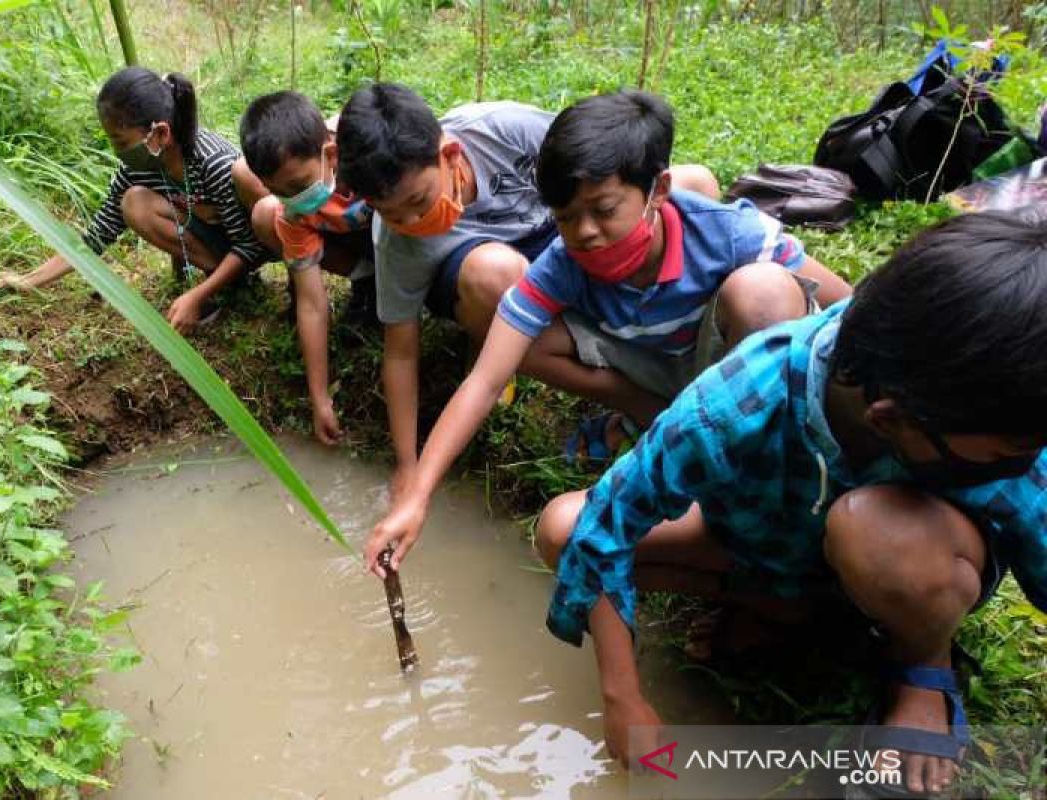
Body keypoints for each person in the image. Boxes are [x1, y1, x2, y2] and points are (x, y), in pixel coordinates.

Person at [534, 211, 1047, 794]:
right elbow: (608, 523)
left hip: (906, 551)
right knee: (563, 527)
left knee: (870, 529)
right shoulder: (737, 403)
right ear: (891, 421)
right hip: (767, 543)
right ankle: (787, 612)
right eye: (1010, 450)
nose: (1023, 458)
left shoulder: (997, 415)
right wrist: (621, 694)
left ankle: (923, 671)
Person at [364, 90, 850, 575]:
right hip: (660, 372)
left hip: (739, 374)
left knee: (762, 291)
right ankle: (681, 447)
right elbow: (484, 381)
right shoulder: (560, 264)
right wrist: (418, 493)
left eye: (603, 209)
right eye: (566, 218)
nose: (585, 232)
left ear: (658, 190)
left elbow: (847, 307)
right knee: (514, 335)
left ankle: (762, 460)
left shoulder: (729, 233)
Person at [336, 83, 722, 498]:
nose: (411, 221)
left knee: (696, 182)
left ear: (449, 155)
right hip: (490, 278)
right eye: (391, 214)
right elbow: (401, 351)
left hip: (561, 242)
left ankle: (661, 326)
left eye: (419, 200)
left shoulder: (504, 130)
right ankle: (630, 397)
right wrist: (407, 464)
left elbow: (593, 165)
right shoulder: (396, 244)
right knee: (497, 273)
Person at [0, 66, 271, 335]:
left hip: (252, 245)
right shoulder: (136, 169)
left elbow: (248, 245)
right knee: (134, 203)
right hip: (218, 246)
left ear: (161, 133)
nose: (118, 153)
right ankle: (224, 281)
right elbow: (95, 237)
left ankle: (230, 282)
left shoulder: (213, 163)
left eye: (122, 142)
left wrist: (197, 296)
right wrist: (28, 281)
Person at [238, 91, 376, 445]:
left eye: (299, 185)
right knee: (267, 214)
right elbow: (312, 303)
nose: (293, 198)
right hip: (357, 246)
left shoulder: (371, 156)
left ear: (330, 153)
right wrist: (319, 398)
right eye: (277, 189)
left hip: (400, 233)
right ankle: (368, 283)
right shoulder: (293, 211)